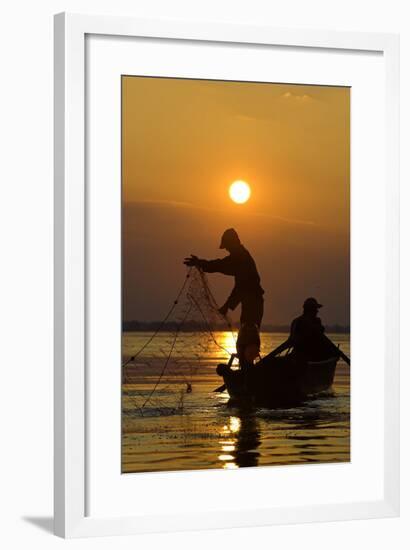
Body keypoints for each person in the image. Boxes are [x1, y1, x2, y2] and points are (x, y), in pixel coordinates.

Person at [184, 228, 264, 328]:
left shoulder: (240, 257)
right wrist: (199, 263)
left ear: (233, 243)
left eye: (227, 246)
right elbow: (219, 265)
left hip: (253, 303)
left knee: (249, 332)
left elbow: (241, 286)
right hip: (251, 303)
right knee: (247, 332)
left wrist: (227, 306)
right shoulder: (239, 256)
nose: (227, 249)